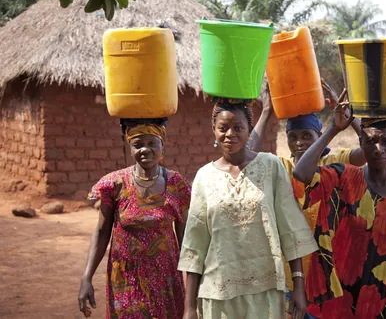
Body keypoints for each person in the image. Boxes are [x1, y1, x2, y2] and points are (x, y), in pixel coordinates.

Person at [293, 103, 386, 319]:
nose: (378, 148)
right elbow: (301, 173)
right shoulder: (345, 178)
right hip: (353, 304)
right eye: (371, 141)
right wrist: (333, 129)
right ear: (360, 143)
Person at [178, 98, 318, 319]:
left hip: (266, 290)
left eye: (238, 128)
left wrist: (298, 287)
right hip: (217, 295)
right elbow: (195, 246)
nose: (229, 134)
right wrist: (189, 308)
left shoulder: (271, 166)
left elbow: (290, 230)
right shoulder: (204, 177)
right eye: (222, 128)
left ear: (249, 129)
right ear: (213, 130)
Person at [249, 80, 366, 317]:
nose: (299, 142)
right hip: (291, 268)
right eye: (293, 137)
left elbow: (367, 151)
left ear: (319, 136)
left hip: (330, 265)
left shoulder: (334, 162)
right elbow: (247, 154)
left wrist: (348, 117)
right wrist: (267, 111)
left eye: (306, 136)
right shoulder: (281, 166)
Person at [78, 118, 191, 319]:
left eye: (151, 143)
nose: (144, 150)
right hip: (126, 280)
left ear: (162, 145)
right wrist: (86, 277)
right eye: (137, 145)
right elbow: (102, 232)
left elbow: (185, 240)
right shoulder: (114, 184)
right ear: (129, 148)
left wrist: (193, 287)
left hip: (166, 281)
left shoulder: (176, 184)